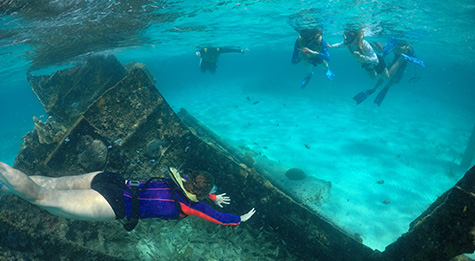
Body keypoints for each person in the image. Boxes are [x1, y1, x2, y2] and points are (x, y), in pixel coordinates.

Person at [0, 162, 256, 231]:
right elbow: (219, 219)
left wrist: (211, 196)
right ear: (201, 193)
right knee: (41, 197)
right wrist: (240, 219)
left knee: (50, 184)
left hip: (112, 179)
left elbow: (194, 191)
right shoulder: (188, 206)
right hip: (113, 204)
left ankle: (5, 187)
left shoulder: (176, 179)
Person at [353, 40, 419, 105]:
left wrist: (375, 45)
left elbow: (384, 50)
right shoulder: (404, 47)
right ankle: (378, 89)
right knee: (386, 79)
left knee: (385, 78)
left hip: (397, 67)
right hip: (398, 67)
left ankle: (376, 89)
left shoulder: (401, 46)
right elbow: (414, 59)